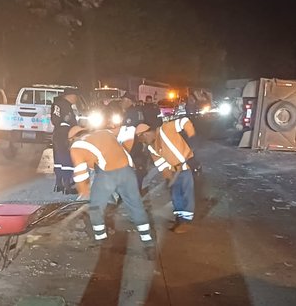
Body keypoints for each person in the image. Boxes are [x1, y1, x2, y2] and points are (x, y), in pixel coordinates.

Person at [68, 126, 155, 256]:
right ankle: (149, 245)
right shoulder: (104, 132)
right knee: (136, 206)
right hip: (128, 171)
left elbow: (80, 173)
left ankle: (101, 241)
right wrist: (125, 151)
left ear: (73, 138)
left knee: (96, 207)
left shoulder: (76, 146)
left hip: (108, 174)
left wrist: (83, 190)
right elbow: (128, 130)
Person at [135, 120, 196, 233]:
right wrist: (168, 176)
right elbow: (161, 164)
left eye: (143, 140)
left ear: (146, 134)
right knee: (175, 195)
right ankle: (179, 218)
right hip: (174, 171)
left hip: (186, 166)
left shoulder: (165, 129)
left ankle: (186, 221)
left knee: (187, 193)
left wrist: (191, 134)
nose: (144, 143)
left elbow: (184, 121)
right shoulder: (151, 147)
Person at [50, 88, 80, 194]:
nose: (76, 99)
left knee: (59, 159)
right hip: (64, 134)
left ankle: (59, 184)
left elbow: (55, 120)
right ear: (70, 95)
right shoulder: (64, 105)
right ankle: (67, 186)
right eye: (75, 96)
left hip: (57, 134)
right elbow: (67, 121)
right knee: (67, 159)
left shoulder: (58, 104)